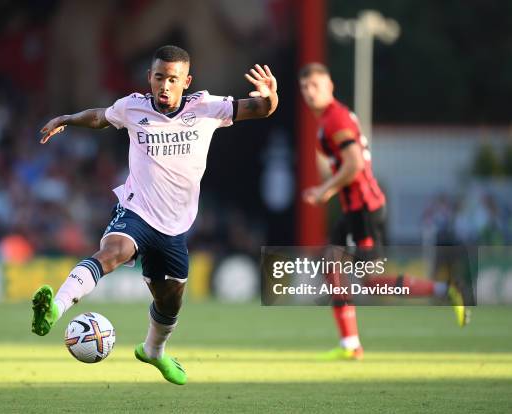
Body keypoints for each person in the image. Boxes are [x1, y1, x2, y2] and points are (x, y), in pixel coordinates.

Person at [31, 45, 278, 384]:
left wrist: (270, 96)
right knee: (113, 253)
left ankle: (153, 351)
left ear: (186, 81)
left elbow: (260, 109)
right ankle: (54, 310)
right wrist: (68, 119)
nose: (164, 85)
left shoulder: (207, 108)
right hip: (137, 210)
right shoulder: (133, 107)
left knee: (171, 301)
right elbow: (101, 117)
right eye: (159, 77)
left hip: (175, 227)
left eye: (172, 79)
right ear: (150, 77)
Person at [298, 63, 468, 361]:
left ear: (330, 86)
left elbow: (354, 165)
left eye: (315, 85)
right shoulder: (329, 119)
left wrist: (325, 190)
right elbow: (344, 167)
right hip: (355, 209)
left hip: (363, 209)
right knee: (330, 264)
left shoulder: (335, 119)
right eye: (304, 88)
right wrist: (328, 186)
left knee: (373, 282)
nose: (309, 93)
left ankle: (445, 288)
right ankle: (351, 344)